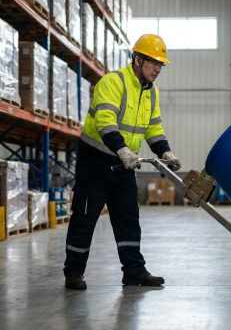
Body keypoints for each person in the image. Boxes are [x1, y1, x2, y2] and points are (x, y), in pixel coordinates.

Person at [64, 34, 181, 290]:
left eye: (161, 65)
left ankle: (134, 272)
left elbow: (153, 128)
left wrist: (166, 153)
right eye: (153, 63)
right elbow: (105, 121)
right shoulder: (113, 81)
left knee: (129, 218)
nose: (158, 69)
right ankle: (73, 272)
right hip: (96, 162)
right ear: (137, 60)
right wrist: (123, 150)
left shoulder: (152, 93)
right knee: (85, 217)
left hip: (126, 165)